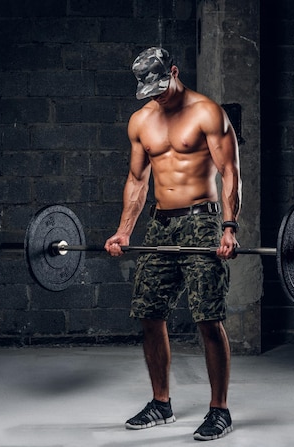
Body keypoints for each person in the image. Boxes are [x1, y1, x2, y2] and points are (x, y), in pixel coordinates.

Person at [104, 47, 242, 442]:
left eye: (161, 87)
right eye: (149, 90)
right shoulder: (140, 121)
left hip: (202, 221)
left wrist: (229, 228)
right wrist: (124, 230)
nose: (157, 95)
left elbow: (230, 173)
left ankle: (220, 411)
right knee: (149, 311)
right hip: (160, 224)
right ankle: (161, 403)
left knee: (207, 317)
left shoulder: (207, 113)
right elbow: (137, 181)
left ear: (175, 72)